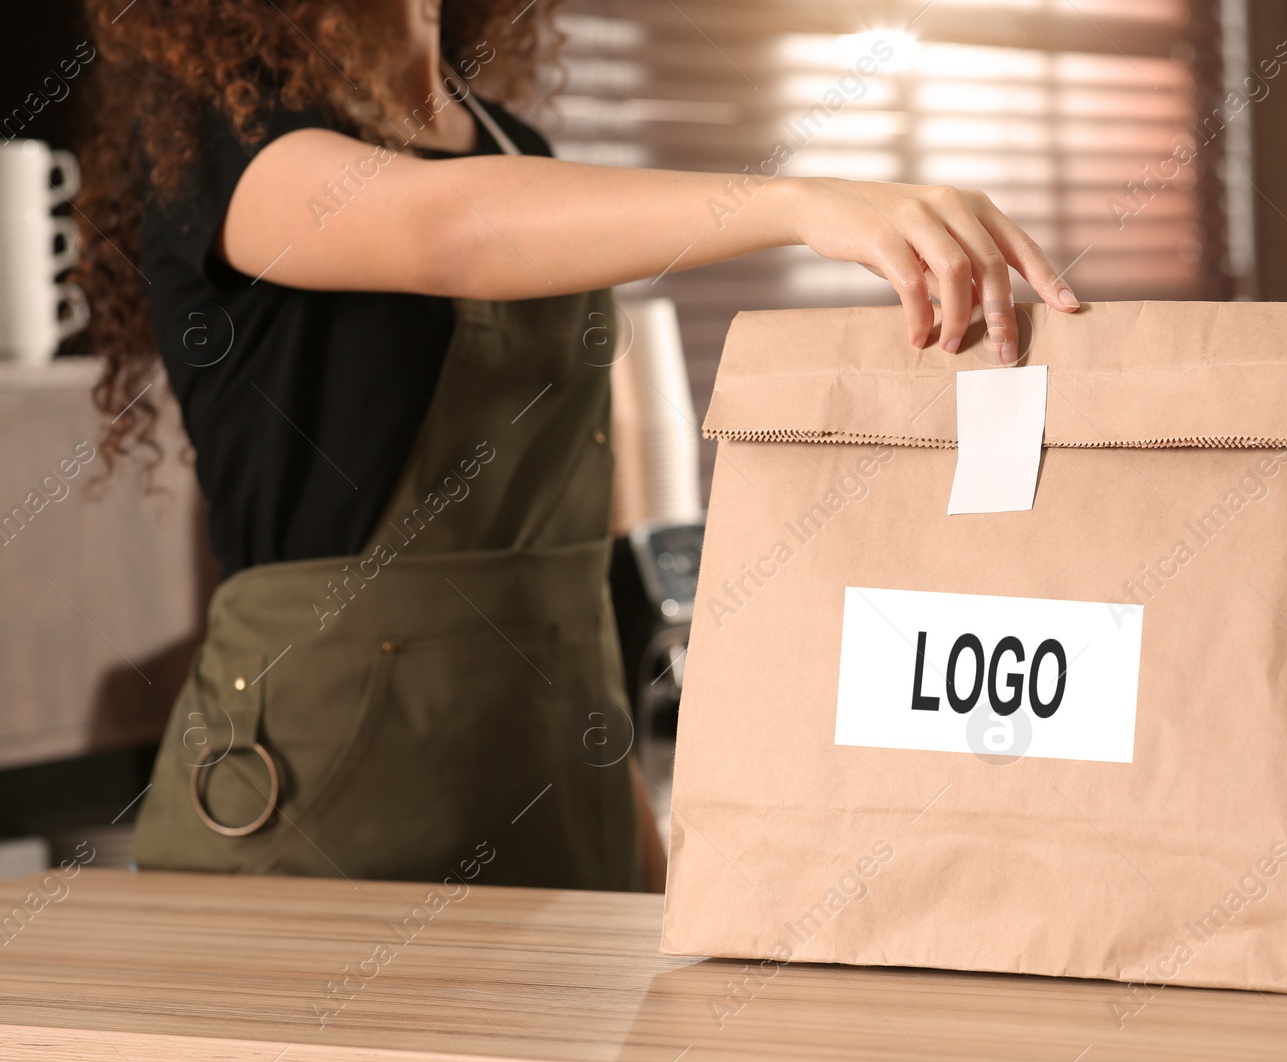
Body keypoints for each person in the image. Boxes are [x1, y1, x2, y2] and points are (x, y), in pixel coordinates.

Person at [77, 0, 1080, 893]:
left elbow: (580, 543)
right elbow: (446, 230)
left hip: (558, 783)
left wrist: (642, 839)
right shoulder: (217, 133)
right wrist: (794, 201)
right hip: (312, 799)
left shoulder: (520, 150)